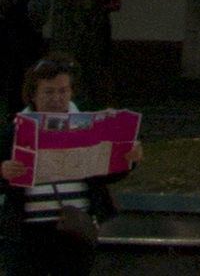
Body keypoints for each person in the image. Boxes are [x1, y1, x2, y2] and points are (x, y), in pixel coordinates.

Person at [2, 54, 139, 276]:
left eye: (63, 91)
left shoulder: (88, 125)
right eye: (49, 92)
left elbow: (104, 175)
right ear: (33, 95)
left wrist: (128, 159)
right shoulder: (13, 131)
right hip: (28, 232)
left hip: (75, 228)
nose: (57, 98)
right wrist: (3, 171)